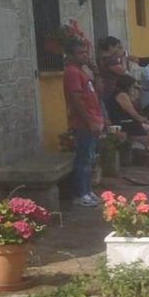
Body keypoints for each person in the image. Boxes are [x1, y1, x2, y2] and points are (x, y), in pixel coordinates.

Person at [62, 38, 105, 207]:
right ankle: (81, 194)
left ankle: (88, 191)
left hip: (93, 120)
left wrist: (96, 71)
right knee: (83, 159)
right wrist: (90, 121)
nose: (85, 56)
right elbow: (76, 99)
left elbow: (98, 92)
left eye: (86, 52)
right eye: (80, 53)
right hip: (83, 123)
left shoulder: (83, 72)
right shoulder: (72, 72)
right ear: (71, 55)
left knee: (89, 159)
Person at [106, 75, 149, 152]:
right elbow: (133, 113)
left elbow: (135, 105)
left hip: (124, 120)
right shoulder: (122, 95)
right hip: (121, 123)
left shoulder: (120, 93)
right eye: (132, 86)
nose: (133, 88)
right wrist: (143, 120)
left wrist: (136, 94)